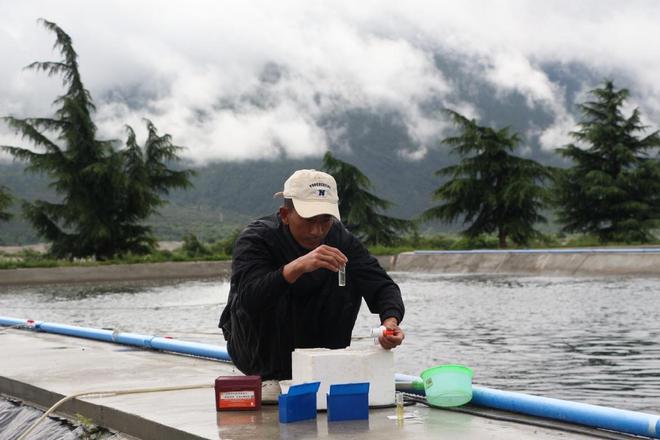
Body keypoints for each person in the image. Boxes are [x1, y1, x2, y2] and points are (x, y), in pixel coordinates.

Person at [218, 169, 405, 401]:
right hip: (259, 355)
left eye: (324, 221)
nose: (316, 231)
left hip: (320, 354)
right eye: (308, 221)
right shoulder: (256, 239)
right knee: (277, 285)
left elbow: (381, 284)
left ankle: (328, 365)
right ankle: (272, 375)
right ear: (285, 214)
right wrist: (296, 267)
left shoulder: (340, 238)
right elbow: (248, 300)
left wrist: (390, 322)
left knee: (346, 274)